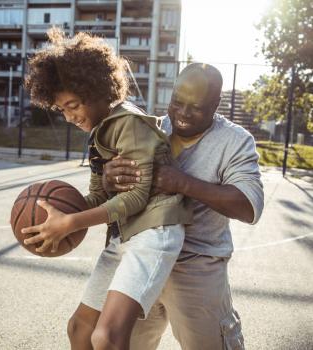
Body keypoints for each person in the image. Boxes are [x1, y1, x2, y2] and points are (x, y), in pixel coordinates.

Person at [22, 28, 190, 350]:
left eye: (73, 105)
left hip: (155, 233)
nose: (70, 116)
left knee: (106, 336)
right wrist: (57, 213)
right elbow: (99, 195)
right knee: (79, 329)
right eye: (63, 110)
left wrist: (71, 223)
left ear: (99, 89)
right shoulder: (98, 133)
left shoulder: (129, 123)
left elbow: (138, 196)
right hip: (124, 233)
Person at [102, 63, 264, 350]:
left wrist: (184, 183)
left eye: (197, 107)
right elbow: (116, 196)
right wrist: (110, 178)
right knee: (121, 342)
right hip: (145, 257)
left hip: (196, 264)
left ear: (216, 105)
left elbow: (249, 206)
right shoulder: (149, 130)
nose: (183, 113)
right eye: (178, 102)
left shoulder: (236, 141)